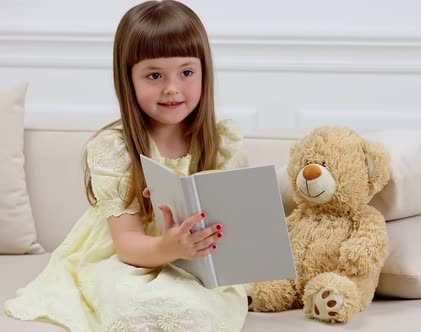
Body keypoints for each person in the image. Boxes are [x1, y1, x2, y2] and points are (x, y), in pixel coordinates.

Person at [4, 1, 249, 331]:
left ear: (204, 71)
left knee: (202, 308)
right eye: (154, 75)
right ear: (128, 80)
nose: (172, 88)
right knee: (133, 304)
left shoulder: (224, 141)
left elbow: (237, 231)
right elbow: (128, 245)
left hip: (199, 263)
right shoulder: (115, 147)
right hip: (129, 258)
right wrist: (167, 247)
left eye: (186, 72)